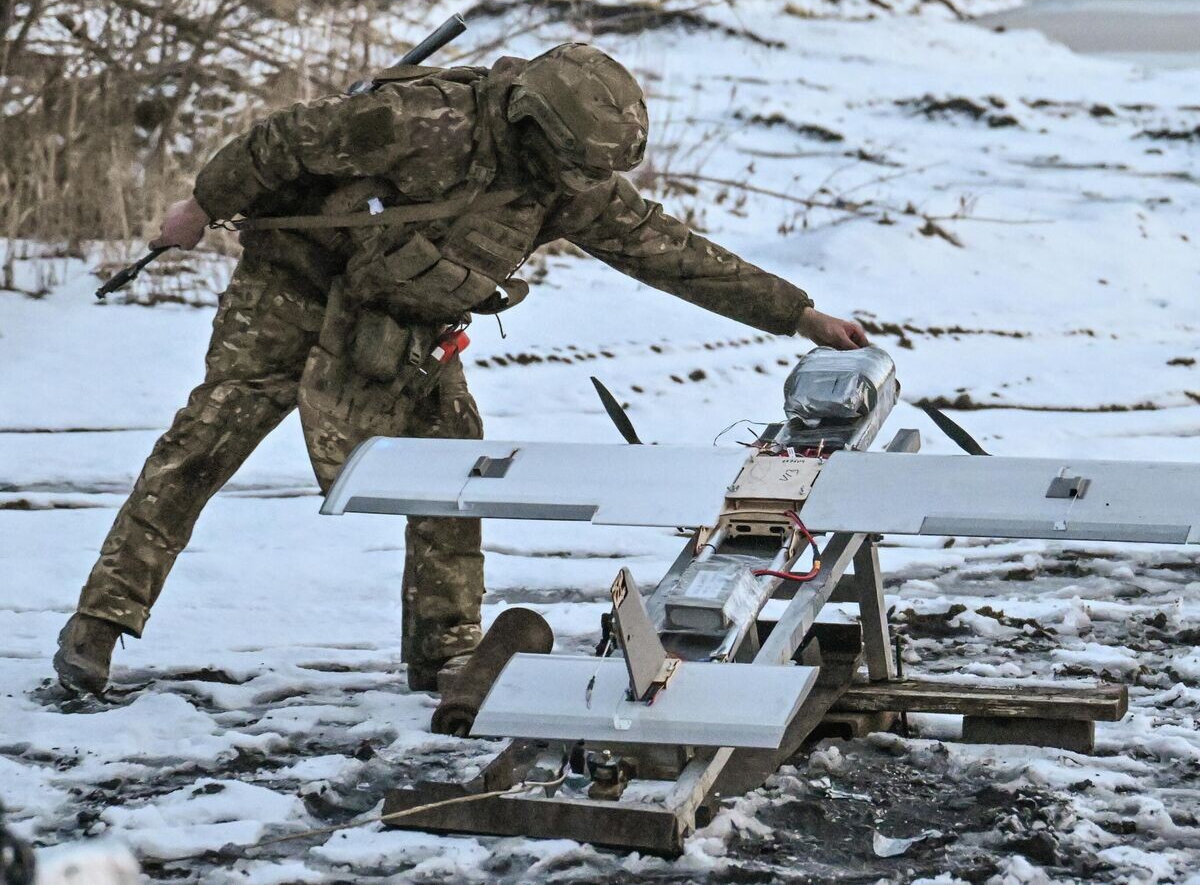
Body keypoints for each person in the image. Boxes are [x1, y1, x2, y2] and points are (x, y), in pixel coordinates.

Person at [54, 43, 868, 697]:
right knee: (206, 441)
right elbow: (281, 144)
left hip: (403, 321)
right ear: (532, 127)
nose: (584, 188)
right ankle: (98, 622)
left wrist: (798, 312)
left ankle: (445, 650)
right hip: (294, 284)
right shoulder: (416, 121)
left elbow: (672, 254)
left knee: (454, 460)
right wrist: (198, 208)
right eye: (576, 167)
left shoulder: (566, 186)